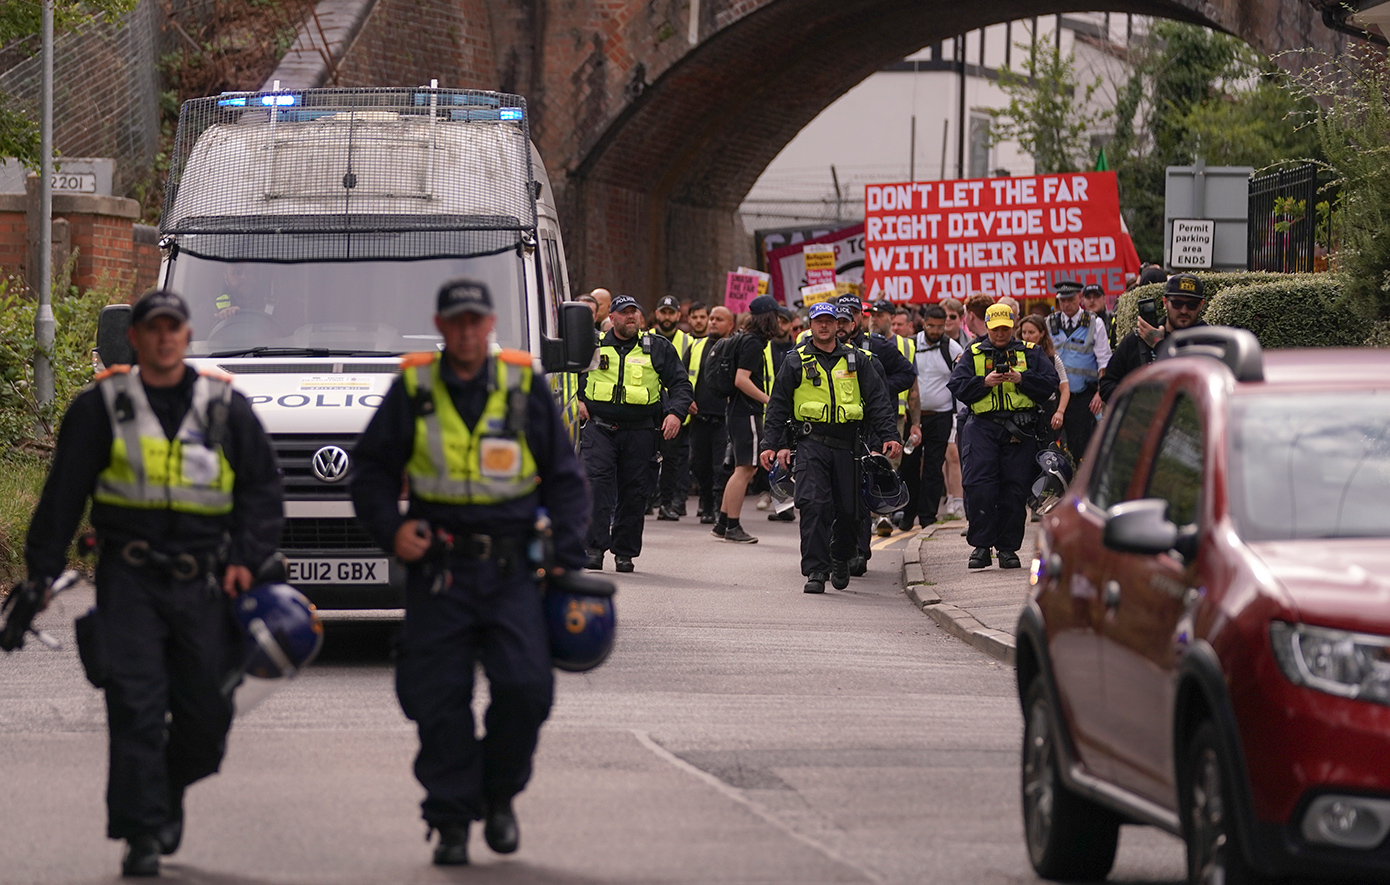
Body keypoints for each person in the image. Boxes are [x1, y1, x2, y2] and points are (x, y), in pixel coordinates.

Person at [24, 289, 283, 877]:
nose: (164, 338)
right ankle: (141, 832)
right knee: (135, 706)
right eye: (153, 329)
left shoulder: (224, 408)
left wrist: (248, 554)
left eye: (174, 328)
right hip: (130, 580)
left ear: (187, 337)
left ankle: (163, 790)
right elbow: (62, 498)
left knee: (206, 717)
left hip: (205, 583)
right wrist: (40, 575)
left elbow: (263, 491)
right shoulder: (101, 407)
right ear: (135, 339)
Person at [350, 278, 590, 866]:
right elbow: (371, 474)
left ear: (489, 325)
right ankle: (452, 818)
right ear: (440, 326)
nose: (465, 331)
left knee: (526, 691)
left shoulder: (521, 385)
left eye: (475, 321)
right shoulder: (415, 388)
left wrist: (566, 556)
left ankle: (499, 794)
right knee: (438, 699)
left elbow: (565, 478)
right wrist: (392, 530)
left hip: (512, 573)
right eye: (454, 322)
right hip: (440, 571)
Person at [760, 301, 901, 593]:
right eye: (818, 321)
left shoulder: (857, 360)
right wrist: (771, 444)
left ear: (838, 325)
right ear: (810, 325)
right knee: (813, 504)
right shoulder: (795, 360)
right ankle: (815, 570)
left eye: (829, 321)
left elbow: (878, 401)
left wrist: (889, 435)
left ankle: (840, 556)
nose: (824, 326)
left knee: (850, 512)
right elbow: (778, 406)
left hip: (848, 446)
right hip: (811, 443)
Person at [577, 295, 691, 571]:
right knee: (597, 485)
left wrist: (675, 413)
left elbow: (680, 385)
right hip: (600, 428)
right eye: (624, 313)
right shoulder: (594, 345)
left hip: (640, 431)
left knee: (634, 491)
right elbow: (571, 374)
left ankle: (624, 552)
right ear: (612, 318)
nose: (631, 317)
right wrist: (577, 399)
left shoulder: (656, 347)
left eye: (634, 313)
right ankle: (594, 548)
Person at [948, 303, 1058, 570]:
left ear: (1013, 327)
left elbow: (1050, 384)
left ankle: (1008, 549)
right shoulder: (973, 353)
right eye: (995, 328)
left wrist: (1023, 379)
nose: (1000, 333)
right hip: (982, 427)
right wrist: (983, 383)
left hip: (1019, 430)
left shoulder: (1031, 353)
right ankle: (981, 547)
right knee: (979, 486)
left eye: (1005, 328)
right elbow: (957, 385)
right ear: (986, 326)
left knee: (1014, 489)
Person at [840, 295, 914, 569]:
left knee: (860, 492)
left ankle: (859, 552)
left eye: (851, 315)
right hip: (834, 429)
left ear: (860, 316)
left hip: (867, 428)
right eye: (839, 316)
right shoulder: (819, 347)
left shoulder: (878, 346)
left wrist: (878, 388)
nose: (843, 322)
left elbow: (907, 373)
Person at [713, 295, 779, 544]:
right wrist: (767, 399)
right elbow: (741, 379)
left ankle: (722, 523)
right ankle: (733, 525)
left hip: (737, 411)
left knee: (741, 468)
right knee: (745, 469)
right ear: (768, 318)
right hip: (746, 412)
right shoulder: (752, 343)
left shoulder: (745, 338)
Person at [1100, 273, 1209, 403]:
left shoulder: (1209, 343)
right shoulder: (1138, 339)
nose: (1184, 311)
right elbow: (1107, 385)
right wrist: (1135, 403)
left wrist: (1159, 345)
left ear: (1201, 305)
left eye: (1191, 305)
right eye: (1177, 304)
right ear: (1165, 303)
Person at [911, 304, 964, 529]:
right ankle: (906, 514)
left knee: (934, 467)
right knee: (910, 466)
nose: (935, 330)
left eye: (939, 327)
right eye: (931, 326)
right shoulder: (911, 344)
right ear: (923, 324)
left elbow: (960, 379)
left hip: (941, 416)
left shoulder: (951, 348)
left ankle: (927, 516)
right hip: (914, 417)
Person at [1046, 279, 1110, 462]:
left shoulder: (1094, 323)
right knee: (1052, 446)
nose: (1066, 304)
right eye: (1062, 300)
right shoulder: (1049, 323)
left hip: (1082, 396)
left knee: (1080, 447)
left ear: (1079, 298)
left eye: (1070, 299)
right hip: (1054, 397)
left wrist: (1100, 393)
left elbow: (1104, 361)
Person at [870, 300, 919, 534]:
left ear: (891, 317)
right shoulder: (864, 342)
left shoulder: (903, 345)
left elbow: (913, 384)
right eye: (872, 315)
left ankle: (884, 514)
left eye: (880, 315)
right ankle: (873, 514)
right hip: (865, 414)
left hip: (895, 414)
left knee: (888, 465)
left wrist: (916, 423)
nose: (874, 319)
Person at [688, 306, 734, 523]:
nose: (713, 322)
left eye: (719, 319)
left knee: (721, 466)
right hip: (699, 416)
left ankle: (717, 507)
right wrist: (686, 400)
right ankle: (705, 502)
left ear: (730, 324)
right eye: (712, 318)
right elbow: (683, 376)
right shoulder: (696, 346)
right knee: (699, 464)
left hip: (725, 418)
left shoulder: (736, 347)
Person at [652, 295, 693, 520]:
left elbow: (687, 377)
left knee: (671, 460)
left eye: (671, 312)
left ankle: (667, 502)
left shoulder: (688, 342)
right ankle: (649, 500)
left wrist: (685, 403)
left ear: (678, 315)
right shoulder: (645, 339)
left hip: (674, 409)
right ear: (657, 314)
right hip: (649, 406)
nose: (667, 317)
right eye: (663, 312)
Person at [1018, 314, 1069, 448]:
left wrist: (1060, 412)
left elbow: (1064, 388)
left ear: (1042, 334)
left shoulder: (1053, 359)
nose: (1027, 336)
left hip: (1047, 411)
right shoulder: (1016, 357)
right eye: (1024, 332)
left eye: (1031, 332)